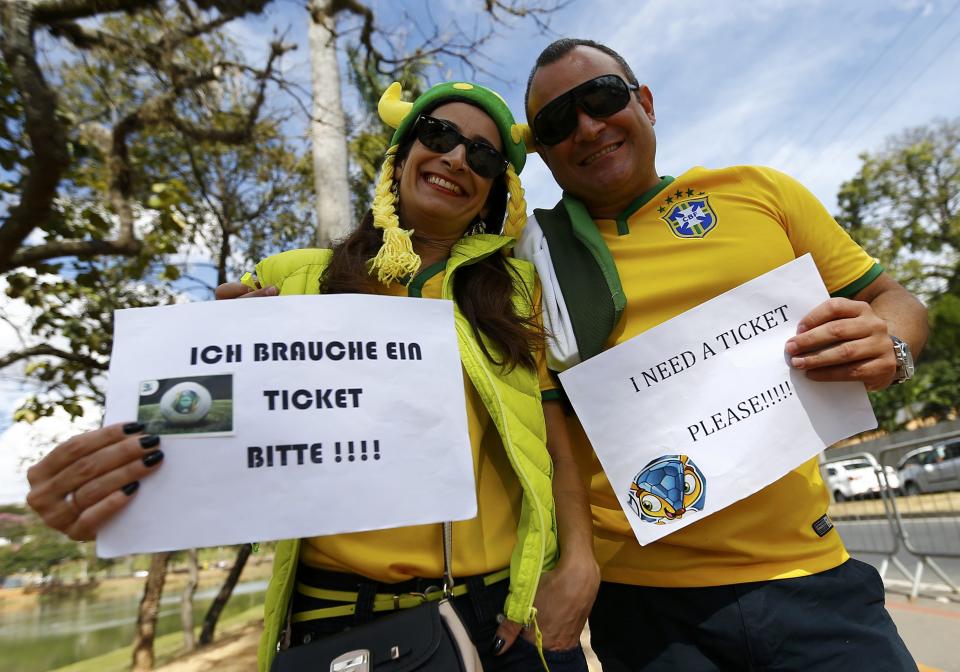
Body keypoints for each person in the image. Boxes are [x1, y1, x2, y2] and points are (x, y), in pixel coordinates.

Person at [27, 81, 599, 671]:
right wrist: (118, 476)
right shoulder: (290, 280)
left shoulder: (516, 293)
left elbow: (554, 446)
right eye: (439, 135)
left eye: (482, 155)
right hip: (337, 622)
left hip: (506, 617)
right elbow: (197, 423)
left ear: (491, 193)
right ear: (399, 160)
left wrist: (579, 560)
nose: (457, 157)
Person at [516, 38, 929, 671]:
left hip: (812, 577)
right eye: (556, 122)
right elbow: (550, 433)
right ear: (541, 151)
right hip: (646, 608)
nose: (588, 127)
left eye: (600, 97)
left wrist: (891, 343)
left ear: (645, 102)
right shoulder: (529, 265)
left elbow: (890, 296)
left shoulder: (759, 194)